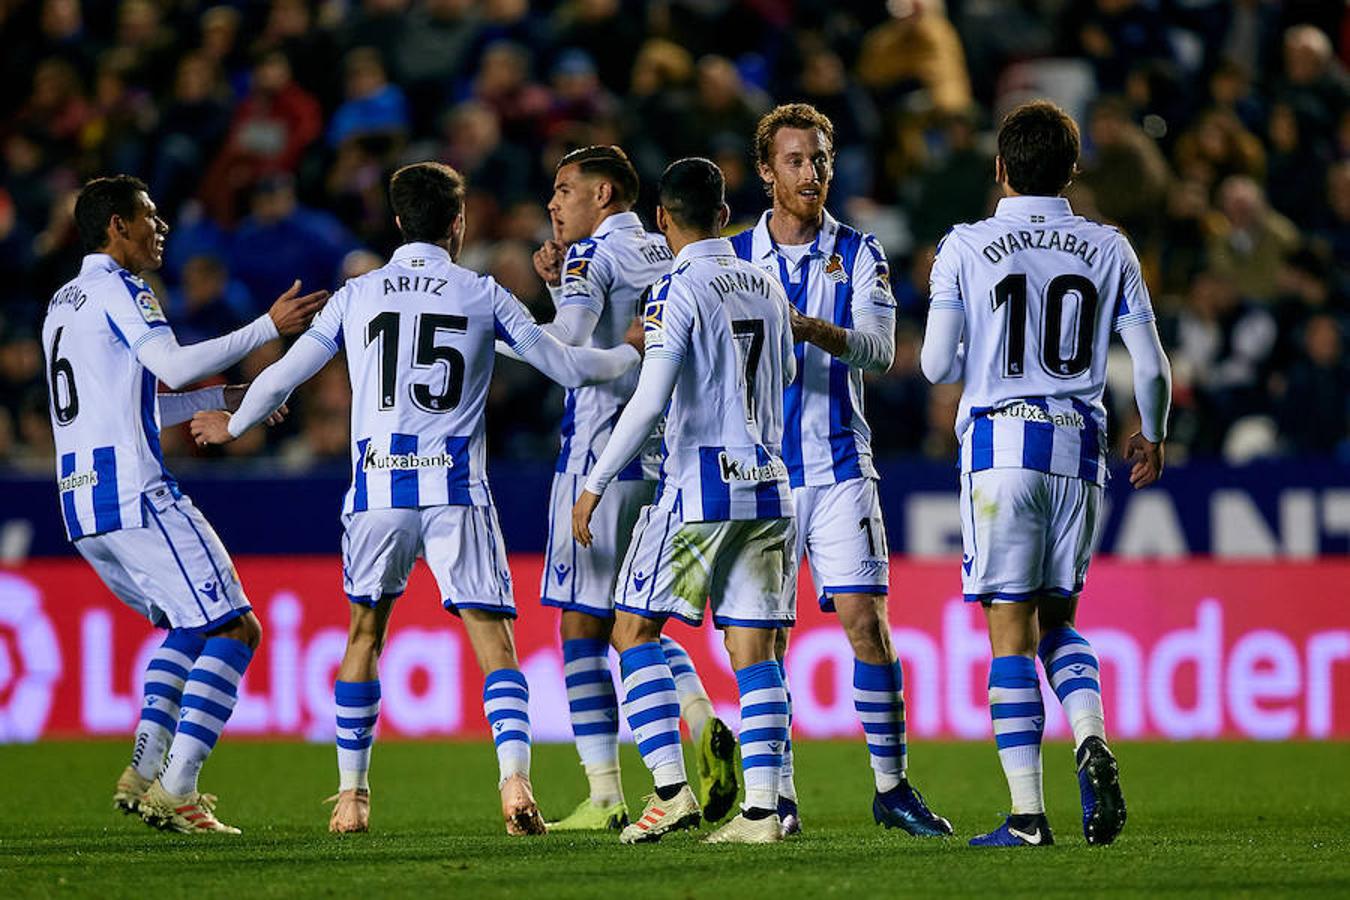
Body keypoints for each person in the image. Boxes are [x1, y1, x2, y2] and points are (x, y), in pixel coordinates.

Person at [190, 161, 641, 837]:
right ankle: (515, 781)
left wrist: (237, 423)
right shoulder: (482, 292)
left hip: (378, 488)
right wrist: (632, 353)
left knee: (364, 634)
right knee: (494, 642)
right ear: (458, 224)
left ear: (398, 222)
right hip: (455, 487)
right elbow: (566, 365)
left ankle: (351, 797)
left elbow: (284, 374)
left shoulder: (357, 294)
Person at [921, 100, 1172, 848]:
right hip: (1080, 448)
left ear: (1000, 169)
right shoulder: (1109, 245)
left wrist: (980, 354)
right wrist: (1154, 436)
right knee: (1058, 620)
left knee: (1008, 631)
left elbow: (935, 364)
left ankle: (1028, 816)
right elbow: (1152, 365)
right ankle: (1090, 736)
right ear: (1073, 169)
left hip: (1001, 449)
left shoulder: (966, 244)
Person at [43, 175, 326, 833]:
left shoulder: (62, 301)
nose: (160, 226)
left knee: (189, 623)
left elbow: (123, 405)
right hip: (136, 492)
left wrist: (220, 398)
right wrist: (266, 326)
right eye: (148, 215)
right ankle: (179, 790)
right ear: (116, 225)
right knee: (236, 627)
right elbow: (169, 364)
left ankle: (143, 770)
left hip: (83, 507)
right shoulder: (121, 287)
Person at [730, 102, 951, 838]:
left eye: (820, 159)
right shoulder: (729, 259)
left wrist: (813, 329)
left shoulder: (860, 252)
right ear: (766, 173)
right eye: (794, 160)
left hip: (838, 469)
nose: (810, 172)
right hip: (756, 475)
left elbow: (883, 353)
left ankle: (891, 788)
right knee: (762, 641)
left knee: (868, 625)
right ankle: (780, 800)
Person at [572, 157, 796, 845]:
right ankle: (764, 810)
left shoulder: (675, 289)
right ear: (725, 215)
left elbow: (649, 398)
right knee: (754, 650)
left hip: (697, 485)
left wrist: (594, 483)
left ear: (663, 219)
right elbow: (784, 371)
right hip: (767, 484)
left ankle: (671, 791)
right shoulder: (768, 283)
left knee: (632, 630)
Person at [526, 145, 736, 831]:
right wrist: (560, 289)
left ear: (604, 193)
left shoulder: (592, 254)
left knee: (581, 629)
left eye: (564, 189)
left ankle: (607, 793)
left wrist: (495, 330)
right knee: (632, 617)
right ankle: (702, 717)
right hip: (660, 459)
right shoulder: (664, 251)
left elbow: (568, 351)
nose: (554, 204)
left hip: (598, 458)